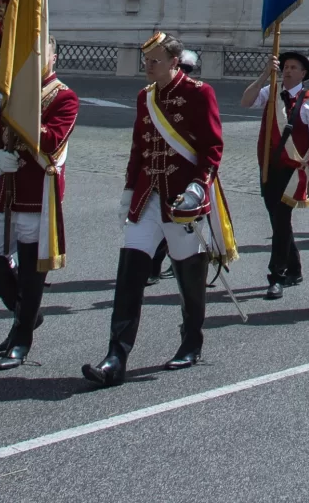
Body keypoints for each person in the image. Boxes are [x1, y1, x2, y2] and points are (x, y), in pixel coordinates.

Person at [83, 33, 226, 386]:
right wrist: (128, 191)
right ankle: (115, 356)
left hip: (181, 199)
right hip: (147, 196)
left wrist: (198, 186)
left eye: (155, 61)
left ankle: (191, 340)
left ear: (174, 61)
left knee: (187, 275)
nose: (147, 66)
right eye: (146, 60)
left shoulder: (198, 93)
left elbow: (212, 147)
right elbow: (138, 150)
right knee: (130, 273)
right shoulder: (144, 97)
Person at [0, 42, 78, 370]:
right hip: (5, 190)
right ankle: (26, 313)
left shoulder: (64, 97)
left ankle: (21, 339)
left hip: (38, 192)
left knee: (33, 269)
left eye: (41, 53)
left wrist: (24, 110)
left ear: (54, 57)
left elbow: (52, 140)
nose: (34, 60)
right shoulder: (13, 94)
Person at [253, 50, 309, 298]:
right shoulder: (271, 93)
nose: (288, 70)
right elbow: (245, 100)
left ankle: (277, 275)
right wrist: (264, 76)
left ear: (304, 73)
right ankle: (294, 267)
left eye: (294, 67)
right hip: (268, 167)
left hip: (293, 171)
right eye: (286, 66)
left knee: (281, 219)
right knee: (278, 220)